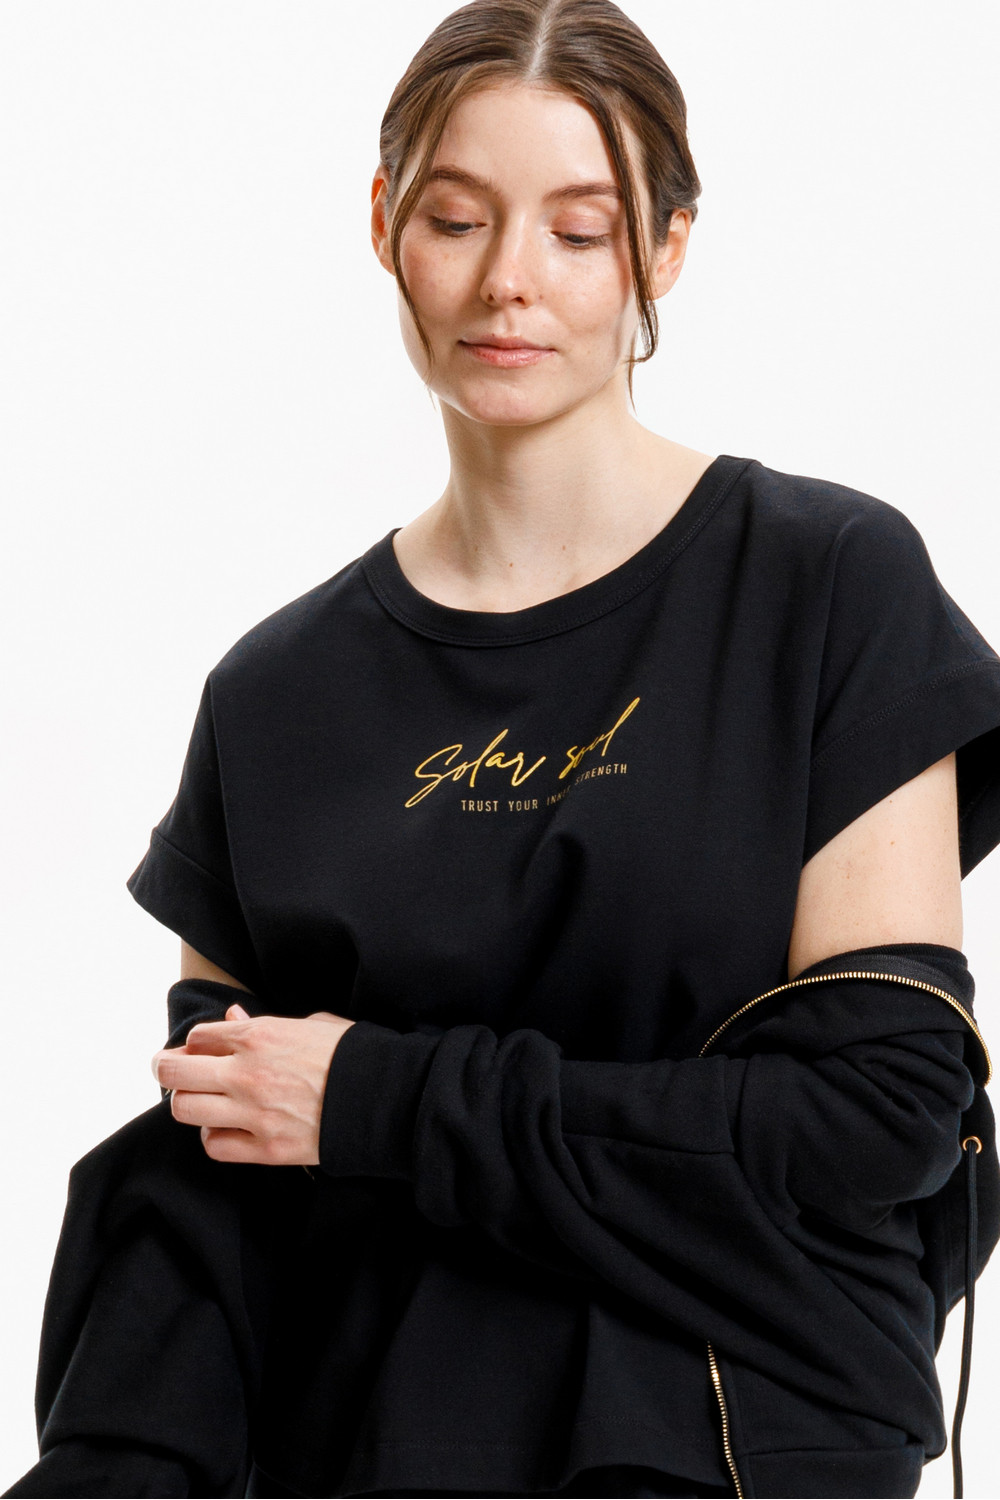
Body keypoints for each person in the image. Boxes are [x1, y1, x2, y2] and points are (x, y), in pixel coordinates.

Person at [5, 1, 1000, 1497]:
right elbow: (217, 1191)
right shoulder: (274, 698)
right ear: (385, 225)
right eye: (457, 220)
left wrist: (377, 1103)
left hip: (727, 1449)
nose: (507, 282)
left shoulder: (824, 591)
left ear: (664, 249)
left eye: (579, 232)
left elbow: (874, 1126)